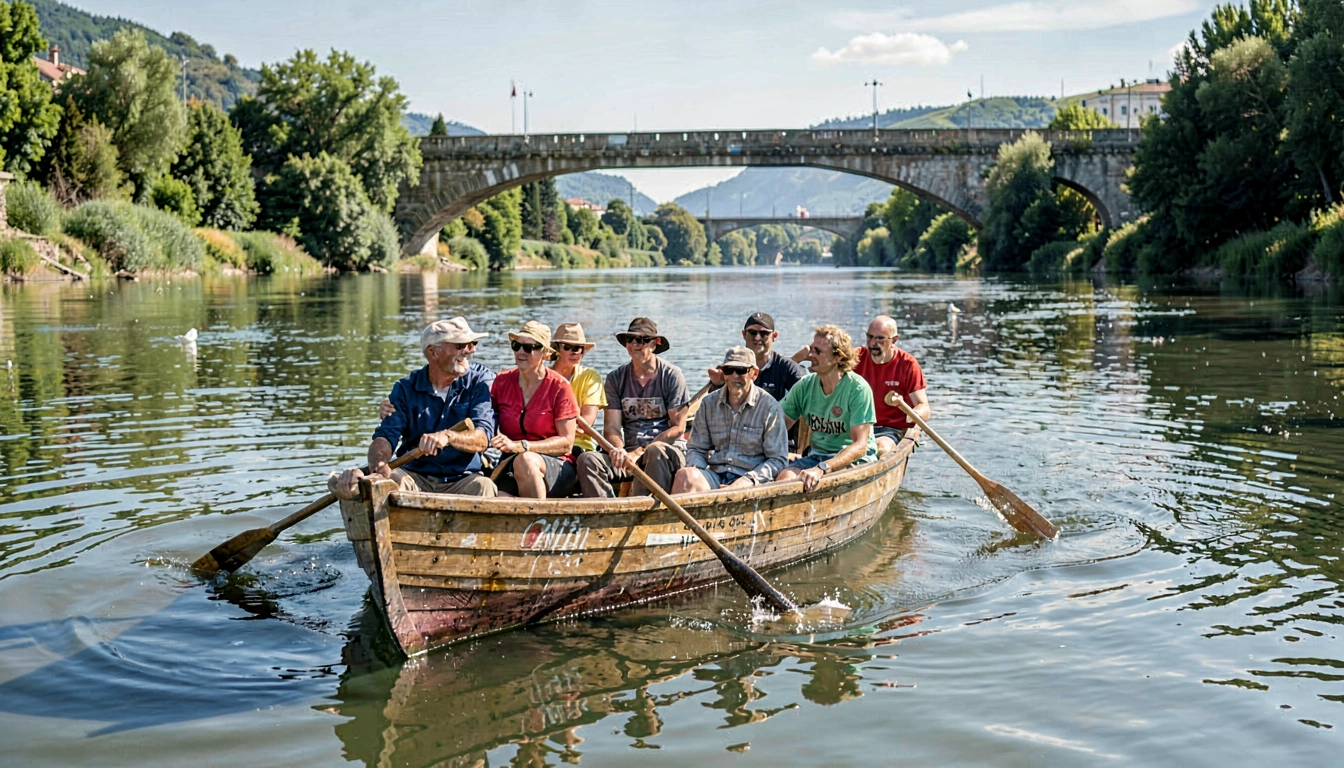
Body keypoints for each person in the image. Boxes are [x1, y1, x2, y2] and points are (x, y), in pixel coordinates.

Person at [337, 317, 497, 498]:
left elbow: (483, 438)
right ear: (433, 352)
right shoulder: (405, 389)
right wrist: (378, 467)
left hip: (464, 478)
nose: (471, 350)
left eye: (472, 343)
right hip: (414, 477)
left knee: (485, 486)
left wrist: (449, 437)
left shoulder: (481, 381)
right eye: (460, 345)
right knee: (389, 483)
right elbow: (386, 436)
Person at [576, 317, 690, 497]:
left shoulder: (672, 376)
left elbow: (678, 427)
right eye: (631, 339)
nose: (635, 344)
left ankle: (646, 513)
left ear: (655, 343)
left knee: (655, 451)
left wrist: (641, 451)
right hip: (629, 454)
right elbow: (612, 427)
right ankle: (606, 514)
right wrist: (618, 449)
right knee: (587, 459)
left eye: (642, 339)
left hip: (666, 453)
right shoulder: (615, 378)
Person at [775, 324, 878, 492]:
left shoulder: (858, 389)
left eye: (818, 352)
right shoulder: (805, 386)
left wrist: (822, 468)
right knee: (784, 479)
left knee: (826, 484)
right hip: (817, 457)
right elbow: (777, 427)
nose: (810, 355)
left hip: (855, 462)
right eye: (812, 349)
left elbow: (860, 446)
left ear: (838, 358)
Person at [672, 346, 789, 493]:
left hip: (752, 481)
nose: (734, 376)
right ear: (723, 373)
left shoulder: (770, 407)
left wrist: (747, 481)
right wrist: (698, 472)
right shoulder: (708, 404)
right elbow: (697, 448)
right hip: (715, 476)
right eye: (728, 370)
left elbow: (778, 460)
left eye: (741, 370)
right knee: (684, 476)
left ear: (754, 373)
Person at [487, 321, 580, 498]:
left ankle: (538, 522)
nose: (521, 352)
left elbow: (566, 443)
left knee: (526, 459)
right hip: (510, 462)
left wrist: (522, 446)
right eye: (517, 346)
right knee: (497, 497)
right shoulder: (501, 381)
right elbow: (486, 421)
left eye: (530, 348)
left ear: (545, 353)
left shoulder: (560, 387)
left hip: (557, 465)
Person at [854, 315, 930, 453]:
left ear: (894, 340)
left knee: (881, 448)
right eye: (869, 337)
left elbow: (923, 407)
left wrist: (912, 414)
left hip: (889, 431)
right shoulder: (856, 358)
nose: (872, 343)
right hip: (857, 426)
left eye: (879, 339)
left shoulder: (907, 364)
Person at [705, 312, 807, 402]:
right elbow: (716, 404)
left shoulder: (786, 367)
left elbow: (807, 393)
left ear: (774, 336)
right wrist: (717, 384)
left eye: (764, 333)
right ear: (744, 334)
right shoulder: (732, 366)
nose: (757, 338)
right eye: (752, 332)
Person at [548, 323, 605, 455]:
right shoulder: (541, 377)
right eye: (568, 347)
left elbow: (585, 425)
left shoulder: (591, 378)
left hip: (579, 447)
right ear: (556, 349)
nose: (575, 352)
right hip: (543, 443)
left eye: (579, 348)